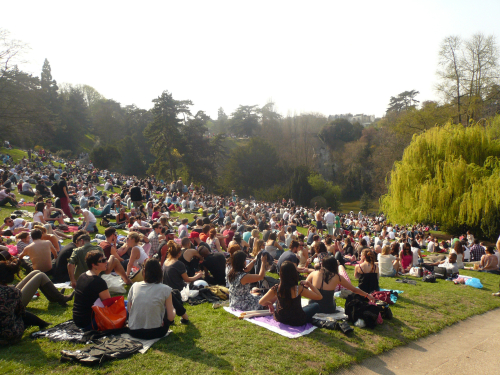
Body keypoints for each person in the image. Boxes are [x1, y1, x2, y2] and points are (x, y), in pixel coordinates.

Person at [0, 259, 51, 344]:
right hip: (10, 335)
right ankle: (42, 323)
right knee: (20, 315)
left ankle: (42, 323)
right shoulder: (13, 292)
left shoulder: (13, 291)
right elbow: (22, 313)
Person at [259, 261, 322, 326]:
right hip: (297, 320)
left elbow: (261, 302)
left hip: (281, 318)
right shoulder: (299, 289)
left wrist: (269, 303)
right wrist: (309, 284)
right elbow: (319, 296)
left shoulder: (276, 288)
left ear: (281, 274)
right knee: (315, 305)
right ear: (294, 274)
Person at [306, 256, 376, 313]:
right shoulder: (337, 277)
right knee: (332, 299)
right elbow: (354, 289)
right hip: (328, 308)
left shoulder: (314, 273)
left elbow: (304, 286)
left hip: (313, 307)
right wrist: (367, 295)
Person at [128, 258, 176, 339]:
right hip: (155, 332)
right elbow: (170, 318)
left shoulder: (134, 286)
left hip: (134, 331)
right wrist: (174, 310)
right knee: (169, 310)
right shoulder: (166, 289)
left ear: (144, 272)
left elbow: (130, 310)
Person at [67, 234, 132, 289]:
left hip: (81, 279)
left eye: (77, 243)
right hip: (96, 276)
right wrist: (112, 257)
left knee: (114, 259)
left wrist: (73, 280)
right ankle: (126, 280)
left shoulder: (77, 251)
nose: (77, 245)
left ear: (82, 241)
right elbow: (104, 265)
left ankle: (126, 280)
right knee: (115, 260)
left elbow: (70, 264)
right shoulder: (98, 248)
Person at [72, 250, 111, 330]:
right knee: (129, 308)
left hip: (78, 319)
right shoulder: (98, 282)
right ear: (94, 265)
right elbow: (109, 304)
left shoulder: (82, 276)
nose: (106, 262)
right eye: (103, 261)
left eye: (106, 259)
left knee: (126, 302)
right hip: (89, 322)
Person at [162, 241, 198, 323]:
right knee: (197, 283)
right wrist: (197, 276)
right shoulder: (179, 264)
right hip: (178, 289)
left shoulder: (166, 261)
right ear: (179, 253)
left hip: (167, 287)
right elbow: (187, 279)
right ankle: (184, 317)